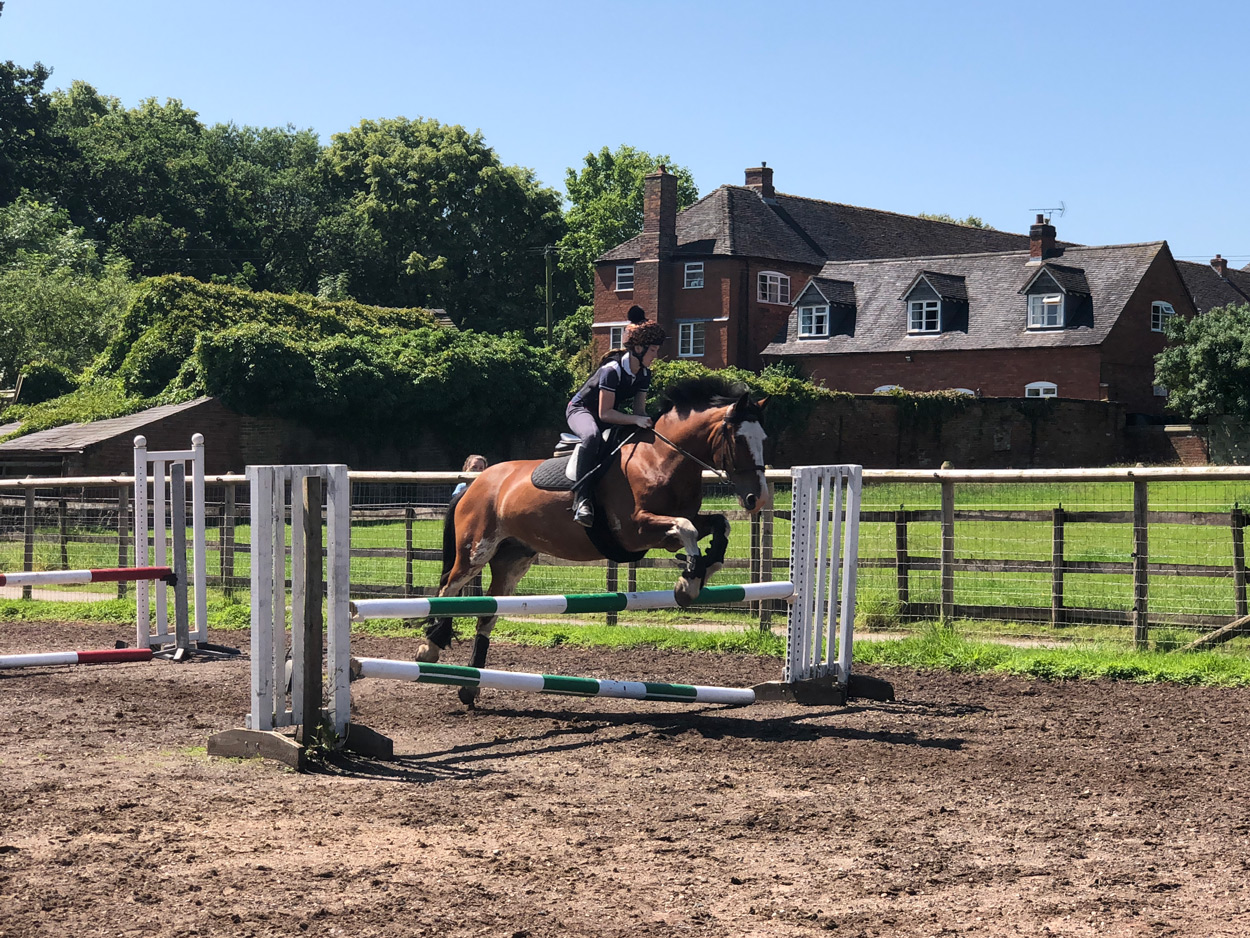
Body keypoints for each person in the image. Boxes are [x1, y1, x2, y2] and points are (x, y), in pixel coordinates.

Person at [565, 306, 666, 526]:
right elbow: (605, 413)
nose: (656, 355)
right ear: (638, 348)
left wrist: (647, 422)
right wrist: (636, 419)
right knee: (591, 436)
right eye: (653, 350)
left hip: (607, 415)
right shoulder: (612, 370)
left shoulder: (644, 374)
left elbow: (639, 413)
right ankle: (581, 501)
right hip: (581, 410)